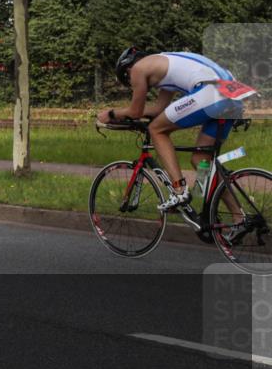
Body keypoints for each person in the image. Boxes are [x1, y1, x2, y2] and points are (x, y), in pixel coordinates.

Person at [99, 48, 256, 232]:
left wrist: (111, 114)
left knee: (156, 130)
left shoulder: (137, 69)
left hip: (210, 93)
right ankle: (238, 218)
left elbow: (135, 112)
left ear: (127, 69)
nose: (131, 80)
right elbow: (158, 109)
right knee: (201, 160)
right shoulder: (165, 63)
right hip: (232, 95)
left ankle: (180, 190)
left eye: (127, 77)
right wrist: (126, 116)